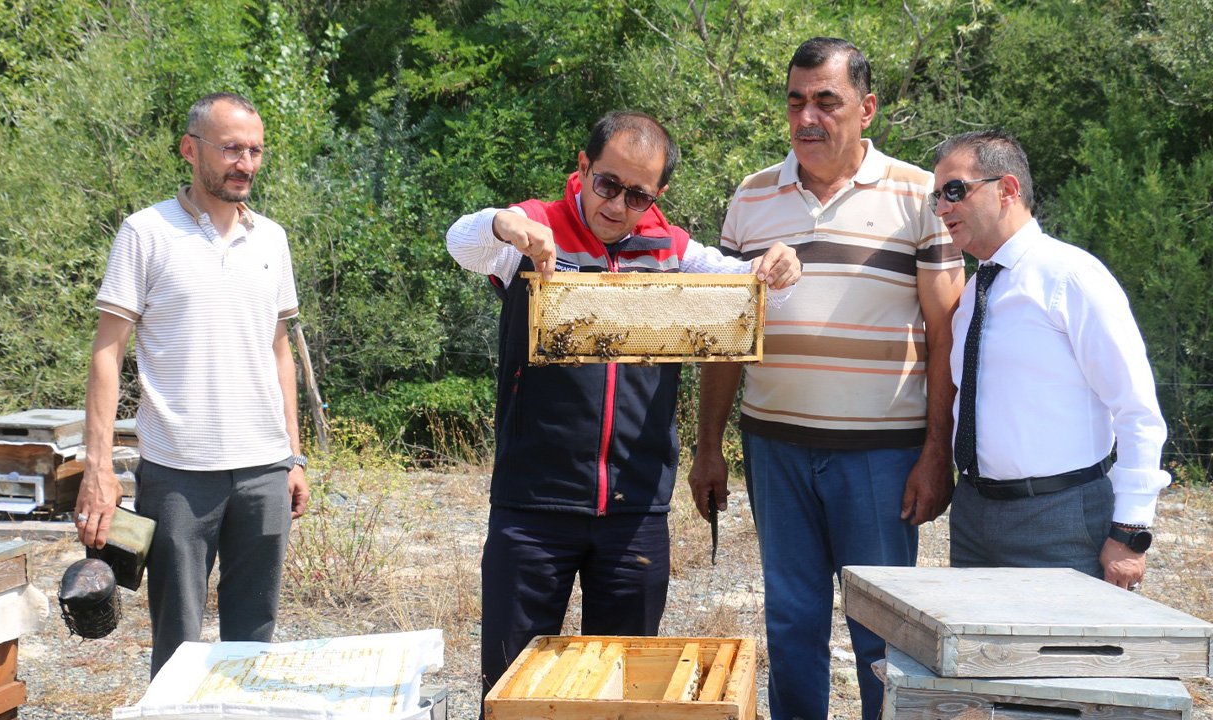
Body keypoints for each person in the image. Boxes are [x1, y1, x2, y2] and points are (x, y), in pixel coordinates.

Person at [445, 110, 802, 699]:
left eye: (638, 195)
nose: (616, 205)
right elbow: (463, 242)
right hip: (533, 507)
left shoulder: (673, 250)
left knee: (624, 693)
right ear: (583, 169)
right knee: (512, 691)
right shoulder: (539, 227)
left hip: (636, 510)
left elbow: (753, 296)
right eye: (607, 184)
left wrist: (782, 270)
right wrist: (504, 224)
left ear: (658, 195)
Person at [687, 38, 964, 720]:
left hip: (882, 454)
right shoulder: (752, 197)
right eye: (796, 101)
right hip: (775, 448)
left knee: (884, 629)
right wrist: (707, 446)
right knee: (790, 620)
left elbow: (944, 335)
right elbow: (726, 333)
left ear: (866, 108)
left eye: (826, 101)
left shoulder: (917, 195)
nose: (807, 117)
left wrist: (937, 452)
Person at [74, 92, 310, 677]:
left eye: (255, 150)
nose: (246, 163)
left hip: (263, 470)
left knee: (253, 644)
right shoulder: (145, 232)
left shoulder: (272, 239)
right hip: (178, 472)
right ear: (190, 148)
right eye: (231, 148)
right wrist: (98, 469)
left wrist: (293, 454)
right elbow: (108, 352)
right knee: (178, 646)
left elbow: (278, 348)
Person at [932, 129, 1170, 588]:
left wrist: (1130, 530)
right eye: (936, 198)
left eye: (955, 191)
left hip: (1060, 518)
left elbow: (1137, 409)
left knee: (1065, 661)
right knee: (981, 660)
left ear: (1007, 190)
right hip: (974, 516)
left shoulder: (1072, 277)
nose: (942, 208)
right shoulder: (974, 293)